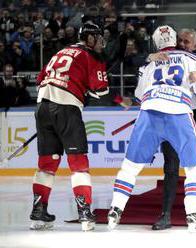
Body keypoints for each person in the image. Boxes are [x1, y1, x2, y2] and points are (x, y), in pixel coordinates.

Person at [107, 25, 196, 232]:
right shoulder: (192, 60)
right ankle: (194, 214)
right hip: (179, 113)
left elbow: (140, 97)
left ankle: (115, 208)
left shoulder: (148, 63)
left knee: (130, 166)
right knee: (195, 167)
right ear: (175, 40)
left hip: (149, 113)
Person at [30, 22, 126, 232]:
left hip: (42, 106)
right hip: (66, 108)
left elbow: (41, 80)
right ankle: (84, 214)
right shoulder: (90, 56)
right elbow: (100, 90)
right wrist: (119, 99)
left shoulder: (61, 51)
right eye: (98, 37)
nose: (101, 42)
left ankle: (38, 212)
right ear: (89, 38)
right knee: (78, 162)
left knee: (47, 163)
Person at [147, 28, 196, 230]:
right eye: (180, 40)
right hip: (171, 118)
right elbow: (135, 62)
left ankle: (194, 213)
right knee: (170, 168)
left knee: (194, 167)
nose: (182, 44)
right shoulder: (165, 57)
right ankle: (165, 215)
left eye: (186, 42)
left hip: (194, 120)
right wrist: (149, 56)